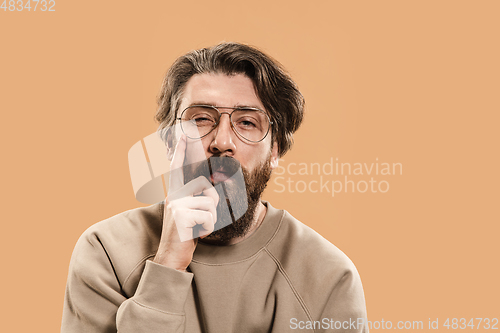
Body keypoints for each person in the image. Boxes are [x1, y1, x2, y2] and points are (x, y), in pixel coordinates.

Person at [61, 42, 369, 332]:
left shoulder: (329, 278)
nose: (222, 142)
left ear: (274, 151)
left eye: (247, 122)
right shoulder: (105, 253)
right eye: (201, 120)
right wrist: (168, 262)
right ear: (169, 143)